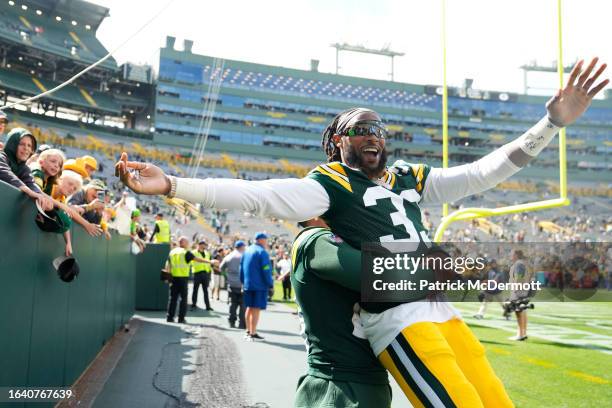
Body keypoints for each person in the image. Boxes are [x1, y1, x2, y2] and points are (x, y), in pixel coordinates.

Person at [115, 58, 607, 406]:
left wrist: (549, 124)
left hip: (442, 310)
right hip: (398, 318)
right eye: (360, 129)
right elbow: (258, 194)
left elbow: (483, 173)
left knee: (496, 401)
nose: (374, 135)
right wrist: (176, 184)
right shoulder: (329, 184)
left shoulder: (409, 177)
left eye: (380, 130)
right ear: (336, 144)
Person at [0, 127, 53, 211]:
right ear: (12, 144)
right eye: (22, 144)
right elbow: (5, 173)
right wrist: (29, 192)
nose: (26, 148)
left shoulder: (24, 168)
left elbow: (31, 183)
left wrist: (41, 197)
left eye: (29, 146)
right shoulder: (1, 157)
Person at [164, 236, 210, 323]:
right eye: (187, 242)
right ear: (183, 243)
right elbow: (197, 260)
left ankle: (170, 317)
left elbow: (168, 265)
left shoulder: (172, 252)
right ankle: (181, 318)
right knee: (183, 299)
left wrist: (167, 278)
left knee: (173, 298)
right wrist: (209, 262)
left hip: (173, 278)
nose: (188, 244)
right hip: (183, 278)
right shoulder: (185, 252)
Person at [240, 232, 273, 341]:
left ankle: (248, 331)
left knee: (249, 308)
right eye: (265, 240)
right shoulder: (262, 252)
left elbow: (241, 269)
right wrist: (270, 284)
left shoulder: (246, 251)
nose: (266, 242)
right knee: (256, 309)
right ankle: (253, 333)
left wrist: (242, 282)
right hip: (259, 285)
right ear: (261, 240)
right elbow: (266, 270)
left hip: (247, 284)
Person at [508, 250, 533, 341]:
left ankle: (520, 334)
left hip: (519, 291)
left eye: (512, 254)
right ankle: (523, 333)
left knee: (518, 312)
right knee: (523, 311)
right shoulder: (524, 263)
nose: (510, 255)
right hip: (524, 290)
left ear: (516, 255)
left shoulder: (519, 264)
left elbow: (519, 277)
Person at [221, 240, 247, 329]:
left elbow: (221, 268)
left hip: (232, 283)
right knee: (243, 305)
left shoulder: (229, 256)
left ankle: (231, 322)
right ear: (242, 247)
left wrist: (227, 276)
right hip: (243, 283)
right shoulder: (244, 256)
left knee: (233, 304)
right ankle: (242, 324)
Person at [191, 240, 214, 311]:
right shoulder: (193, 252)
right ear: (200, 245)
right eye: (204, 244)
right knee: (195, 290)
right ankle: (194, 304)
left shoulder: (207, 253)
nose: (205, 246)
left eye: (205, 244)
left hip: (205, 273)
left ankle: (207, 306)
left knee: (205, 291)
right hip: (197, 273)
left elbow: (209, 262)